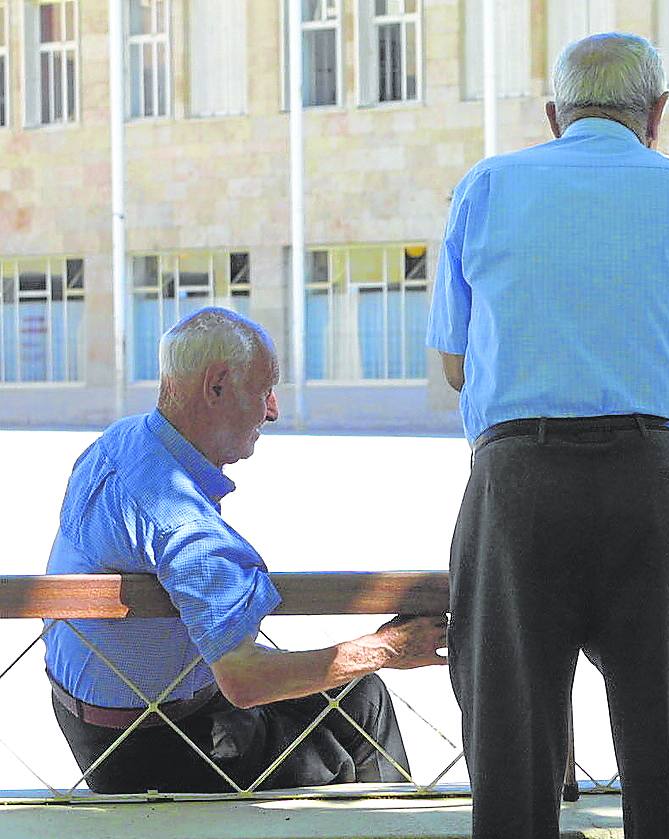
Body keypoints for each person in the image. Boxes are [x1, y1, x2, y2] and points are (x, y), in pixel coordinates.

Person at [427, 32, 669, 839]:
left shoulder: (487, 185)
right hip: (656, 481)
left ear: (551, 113)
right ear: (658, 113)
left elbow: (455, 366)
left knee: (510, 742)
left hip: (518, 482)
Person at [44, 307, 447, 794]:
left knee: (361, 698)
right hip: (155, 747)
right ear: (216, 386)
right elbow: (245, 679)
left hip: (90, 722)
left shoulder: (122, 442)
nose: (273, 409)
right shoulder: (182, 523)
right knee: (346, 750)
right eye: (264, 389)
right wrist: (388, 648)